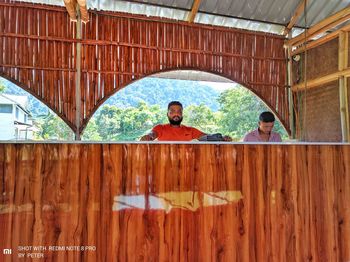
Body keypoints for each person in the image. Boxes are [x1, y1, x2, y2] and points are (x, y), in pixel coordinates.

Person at [140, 101, 232, 141]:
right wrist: (148, 137)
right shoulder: (160, 128)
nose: (176, 114)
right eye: (172, 112)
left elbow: (208, 137)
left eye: (179, 111)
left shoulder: (190, 130)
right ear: (167, 114)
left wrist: (223, 138)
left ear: (182, 114)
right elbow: (152, 134)